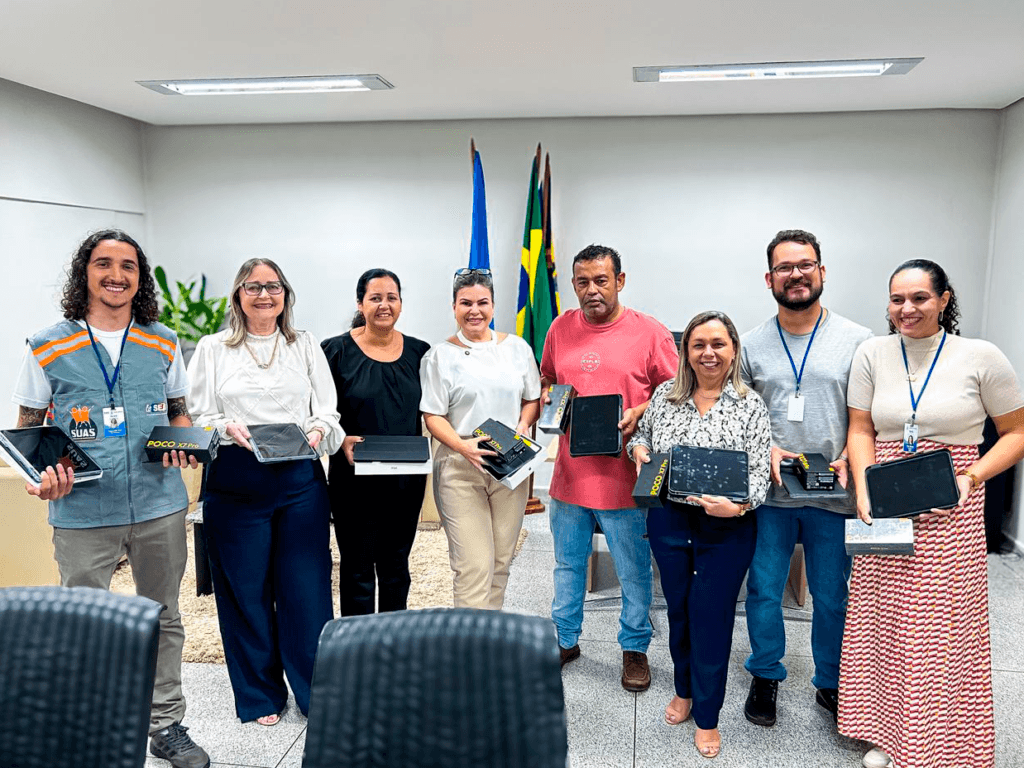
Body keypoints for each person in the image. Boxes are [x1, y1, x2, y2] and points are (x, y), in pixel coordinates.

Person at [12, 230, 210, 768]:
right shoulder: (47, 344)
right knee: (85, 620)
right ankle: (90, 726)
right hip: (82, 509)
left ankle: (165, 724)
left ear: (140, 278)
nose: (116, 275)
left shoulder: (162, 341)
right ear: (85, 273)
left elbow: (179, 413)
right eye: (103, 263)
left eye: (128, 266)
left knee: (163, 615)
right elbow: (28, 429)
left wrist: (185, 444)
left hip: (158, 504)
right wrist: (39, 477)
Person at [841, 259, 1024, 768]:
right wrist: (864, 488)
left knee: (940, 628)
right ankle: (887, 734)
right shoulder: (872, 353)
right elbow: (861, 428)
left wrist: (971, 477)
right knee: (883, 620)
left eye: (919, 297)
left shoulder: (980, 355)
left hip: (951, 503)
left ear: (944, 300)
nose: (907, 308)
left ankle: (938, 743)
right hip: (887, 497)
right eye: (897, 299)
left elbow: (1016, 433)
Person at [187, 258, 342, 726]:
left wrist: (319, 430)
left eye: (273, 286)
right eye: (253, 287)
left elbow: (327, 410)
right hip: (237, 477)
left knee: (306, 589)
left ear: (285, 295)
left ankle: (317, 692)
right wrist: (223, 426)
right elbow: (199, 414)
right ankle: (260, 695)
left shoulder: (304, 344)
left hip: (299, 477)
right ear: (238, 295)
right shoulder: (213, 348)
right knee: (245, 590)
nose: (263, 294)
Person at [739, 230, 872, 728]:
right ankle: (765, 672)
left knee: (832, 595)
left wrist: (849, 455)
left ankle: (831, 682)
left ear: (821, 271)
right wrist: (767, 449)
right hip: (772, 494)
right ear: (769, 278)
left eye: (805, 265)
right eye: (784, 267)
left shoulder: (859, 341)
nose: (795, 275)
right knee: (764, 590)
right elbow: (741, 415)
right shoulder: (749, 344)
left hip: (833, 492)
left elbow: (869, 416)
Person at [628, 310, 771, 759]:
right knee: (678, 612)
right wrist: (639, 450)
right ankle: (684, 690)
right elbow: (641, 437)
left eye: (718, 344)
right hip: (670, 521)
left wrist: (738, 506)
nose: (709, 353)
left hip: (727, 528)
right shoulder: (665, 396)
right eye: (698, 345)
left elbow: (760, 475)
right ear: (686, 352)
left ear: (734, 350)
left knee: (711, 617)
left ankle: (708, 716)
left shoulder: (750, 405)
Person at [540, 244, 679, 692]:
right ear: (573, 285)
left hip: (625, 478)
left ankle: (634, 647)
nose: (592, 290)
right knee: (567, 565)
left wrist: (641, 410)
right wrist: (548, 399)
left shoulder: (650, 332)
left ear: (620, 280)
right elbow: (548, 379)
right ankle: (565, 640)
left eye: (601, 280)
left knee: (633, 571)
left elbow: (677, 394)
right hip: (569, 476)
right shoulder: (560, 328)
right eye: (582, 282)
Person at [419, 268, 540, 609]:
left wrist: (523, 425)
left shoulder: (517, 348)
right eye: (466, 303)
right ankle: (469, 640)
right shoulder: (439, 356)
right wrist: (463, 447)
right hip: (460, 462)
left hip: (509, 462)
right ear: (454, 307)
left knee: (501, 561)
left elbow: (532, 398)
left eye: (482, 302)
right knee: (474, 565)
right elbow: (432, 415)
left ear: (493, 305)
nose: (475, 311)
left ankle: (490, 633)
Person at [321, 268, 430, 615]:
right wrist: (339, 439)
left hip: (405, 481)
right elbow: (319, 410)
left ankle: (393, 637)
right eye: (375, 298)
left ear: (401, 303)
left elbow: (438, 409)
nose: (384, 305)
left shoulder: (421, 353)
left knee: (397, 566)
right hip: (354, 480)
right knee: (357, 568)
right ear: (360, 303)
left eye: (391, 297)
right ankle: (357, 642)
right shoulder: (334, 351)